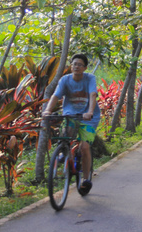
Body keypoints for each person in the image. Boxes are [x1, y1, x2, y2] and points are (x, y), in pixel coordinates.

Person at [43, 53, 100, 195]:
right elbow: (56, 95)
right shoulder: (65, 80)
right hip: (71, 115)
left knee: (85, 147)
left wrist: (90, 111)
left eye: (80, 65)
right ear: (71, 66)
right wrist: (48, 110)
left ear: (85, 67)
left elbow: (93, 95)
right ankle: (64, 152)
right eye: (74, 64)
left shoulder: (89, 78)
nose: (77, 67)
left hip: (89, 118)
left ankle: (86, 179)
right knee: (65, 136)